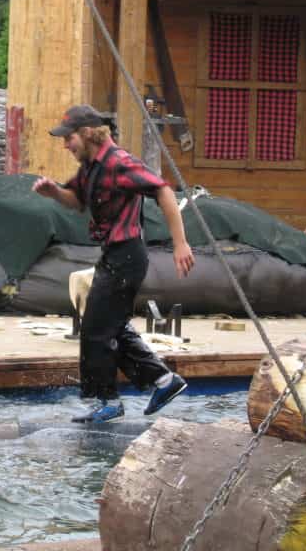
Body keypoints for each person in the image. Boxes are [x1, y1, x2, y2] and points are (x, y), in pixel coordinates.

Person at [32, 104, 194, 423]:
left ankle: (110, 401)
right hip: (112, 255)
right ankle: (163, 381)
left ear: (88, 133)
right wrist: (54, 192)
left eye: (69, 138)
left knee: (96, 328)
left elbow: (162, 190)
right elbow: (77, 201)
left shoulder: (120, 162)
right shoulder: (91, 166)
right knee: (110, 326)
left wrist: (180, 243)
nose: (66, 145)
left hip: (128, 255)